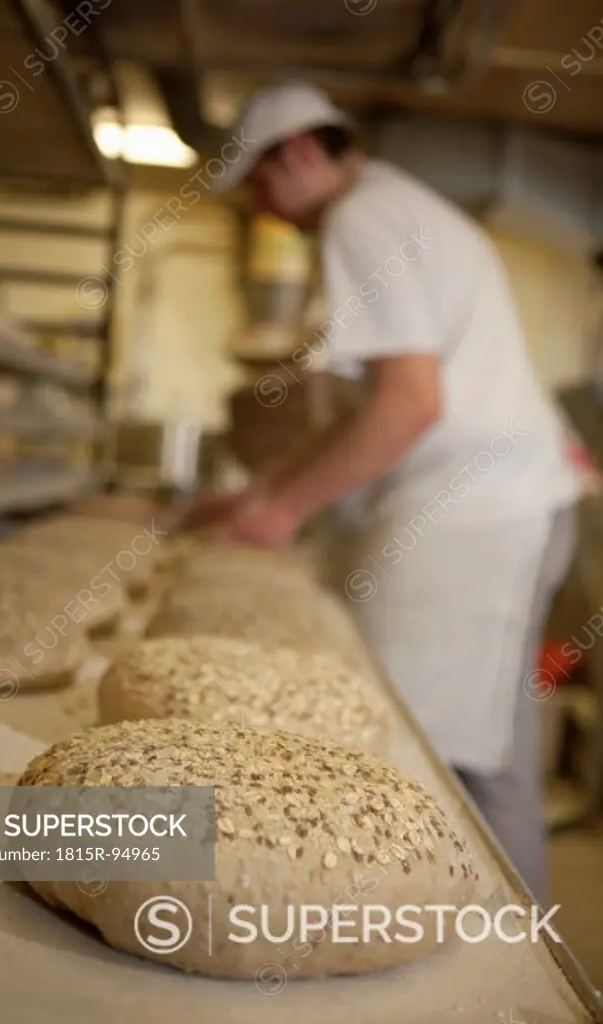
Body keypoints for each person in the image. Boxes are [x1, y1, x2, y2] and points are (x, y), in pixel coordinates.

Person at [185, 81, 581, 903]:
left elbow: (411, 404)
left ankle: (481, 968)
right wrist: (264, 492)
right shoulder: (398, 208)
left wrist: (284, 511)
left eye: (258, 184)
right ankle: (506, 960)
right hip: (493, 508)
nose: (262, 209)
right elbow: (375, 407)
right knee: (472, 753)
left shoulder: (363, 217)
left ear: (298, 152)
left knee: (436, 754)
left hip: (478, 517)